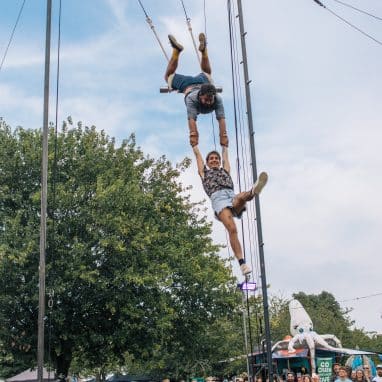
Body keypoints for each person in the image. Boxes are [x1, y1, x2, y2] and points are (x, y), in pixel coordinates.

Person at [192, 144, 268, 275]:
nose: (215, 160)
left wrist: (223, 130)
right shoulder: (204, 173)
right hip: (218, 199)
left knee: (241, 198)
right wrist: (194, 142)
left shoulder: (225, 170)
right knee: (232, 229)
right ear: (208, 163)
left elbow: (225, 151)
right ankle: (242, 264)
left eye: (217, 158)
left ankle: (253, 191)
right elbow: (197, 155)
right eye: (211, 159)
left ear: (220, 161)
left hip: (231, 195)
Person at [164, 33, 228, 148]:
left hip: (203, 82)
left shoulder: (217, 98)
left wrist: (223, 136)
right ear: (200, 96)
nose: (209, 102)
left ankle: (194, 51)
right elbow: (192, 120)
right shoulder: (191, 99)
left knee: (207, 74)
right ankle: (179, 51)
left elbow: (221, 119)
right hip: (188, 85)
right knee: (169, 77)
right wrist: (193, 135)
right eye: (207, 100)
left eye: (210, 99)